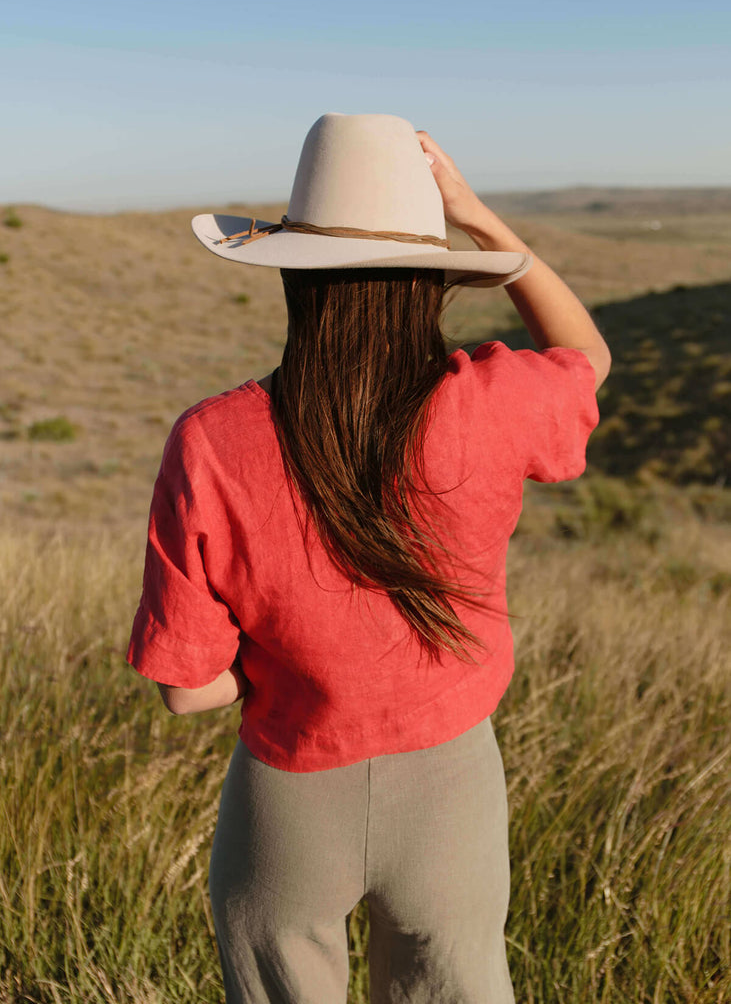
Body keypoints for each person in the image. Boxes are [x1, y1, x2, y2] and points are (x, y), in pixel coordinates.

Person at [127, 113, 610, 1004]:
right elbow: (585, 354)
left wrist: (291, 654)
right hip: (453, 790)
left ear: (292, 280)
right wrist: (483, 226)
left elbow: (187, 689)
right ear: (429, 284)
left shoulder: (211, 441)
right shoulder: (493, 405)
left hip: (288, 800)